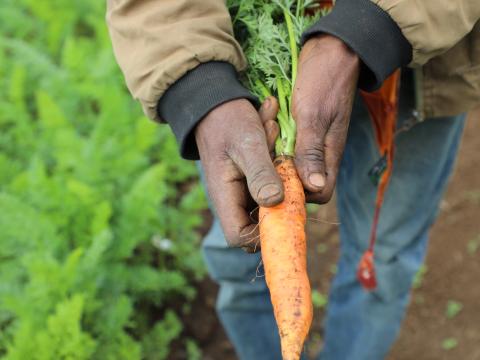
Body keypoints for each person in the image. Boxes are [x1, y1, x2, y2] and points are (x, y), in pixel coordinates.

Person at [106, 1, 480, 358]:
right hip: (242, 91)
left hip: (420, 62)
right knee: (239, 257)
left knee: (383, 257)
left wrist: (366, 30)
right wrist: (200, 88)